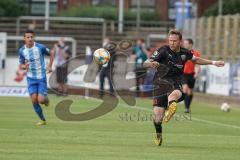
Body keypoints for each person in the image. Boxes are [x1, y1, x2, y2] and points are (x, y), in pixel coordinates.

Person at [143, 29, 224, 146]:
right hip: (160, 82)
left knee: (175, 93)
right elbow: (146, 62)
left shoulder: (185, 53)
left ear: (180, 41)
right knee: (157, 118)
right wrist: (151, 63)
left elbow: (196, 60)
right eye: (170, 40)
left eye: (174, 41)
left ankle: (172, 105)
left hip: (176, 81)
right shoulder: (163, 50)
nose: (171, 43)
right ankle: (159, 135)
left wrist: (214, 62)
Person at [19, 30, 54, 126]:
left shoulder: (40, 47)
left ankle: (45, 99)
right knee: (34, 100)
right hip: (30, 79)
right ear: (24, 39)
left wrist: (50, 66)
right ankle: (43, 120)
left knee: (41, 100)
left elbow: (51, 52)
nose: (30, 39)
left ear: (33, 37)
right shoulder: (22, 50)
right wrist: (24, 66)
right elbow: (21, 64)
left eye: (31, 37)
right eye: (28, 37)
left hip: (41, 77)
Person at [182, 38, 201, 113]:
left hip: (191, 74)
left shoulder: (196, 53)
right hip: (183, 73)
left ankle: (187, 107)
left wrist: (196, 73)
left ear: (190, 44)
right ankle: (185, 108)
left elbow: (197, 65)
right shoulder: (181, 52)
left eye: (186, 43)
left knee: (190, 91)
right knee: (185, 88)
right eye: (184, 43)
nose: (184, 44)